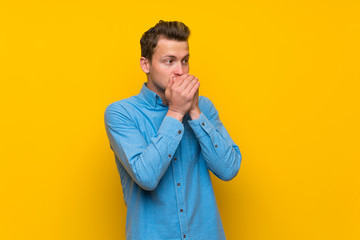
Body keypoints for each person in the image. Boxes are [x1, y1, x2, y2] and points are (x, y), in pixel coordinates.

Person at [104, 20, 242, 240]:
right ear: (145, 64)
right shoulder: (121, 113)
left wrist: (194, 111)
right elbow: (146, 177)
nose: (180, 71)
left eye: (185, 61)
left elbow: (229, 169)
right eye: (169, 61)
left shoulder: (204, 107)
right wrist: (177, 112)